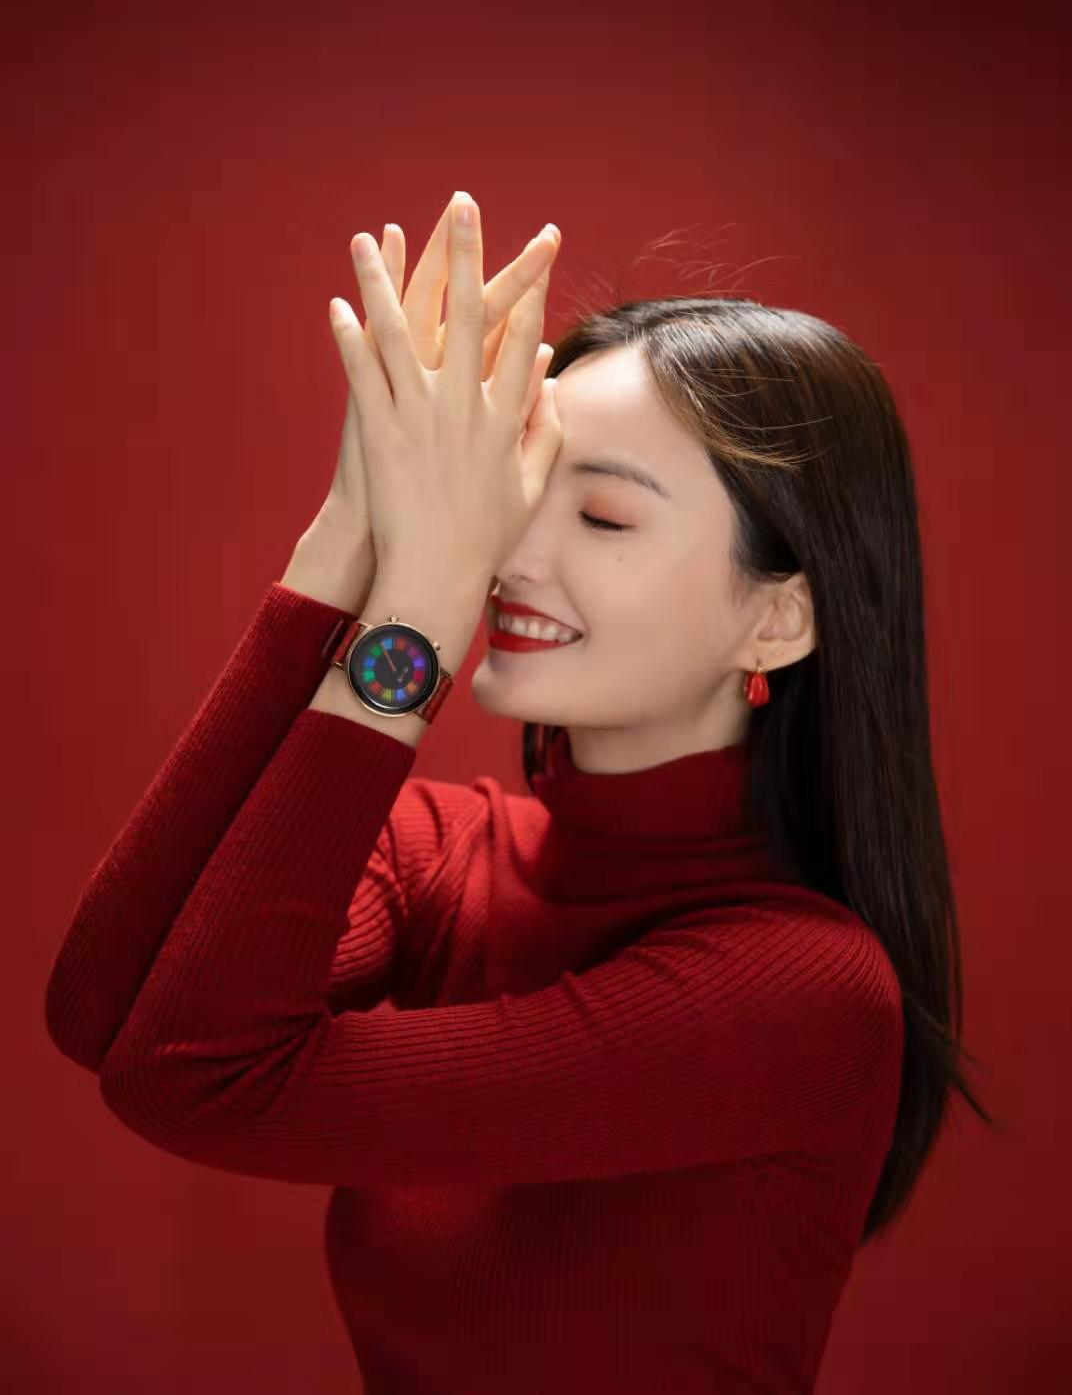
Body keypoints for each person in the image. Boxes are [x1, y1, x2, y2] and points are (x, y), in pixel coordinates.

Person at [45, 191, 994, 1394]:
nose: (509, 554)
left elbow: (196, 1080)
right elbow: (103, 1010)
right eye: (518, 492)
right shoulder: (440, 854)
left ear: (777, 619)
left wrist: (418, 616)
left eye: (601, 514)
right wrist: (353, 530)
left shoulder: (802, 989)